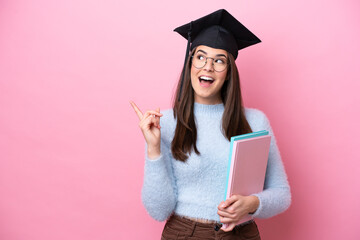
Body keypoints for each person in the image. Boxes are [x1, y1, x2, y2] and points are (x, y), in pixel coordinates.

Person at [130, 9, 291, 240]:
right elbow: (158, 211)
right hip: (184, 234)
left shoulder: (255, 121)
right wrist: (153, 149)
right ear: (190, 64)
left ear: (228, 73)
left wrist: (252, 203)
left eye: (219, 61)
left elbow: (282, 194)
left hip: (241, 234)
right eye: (201, 57)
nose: (207, 66)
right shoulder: (165, 123)